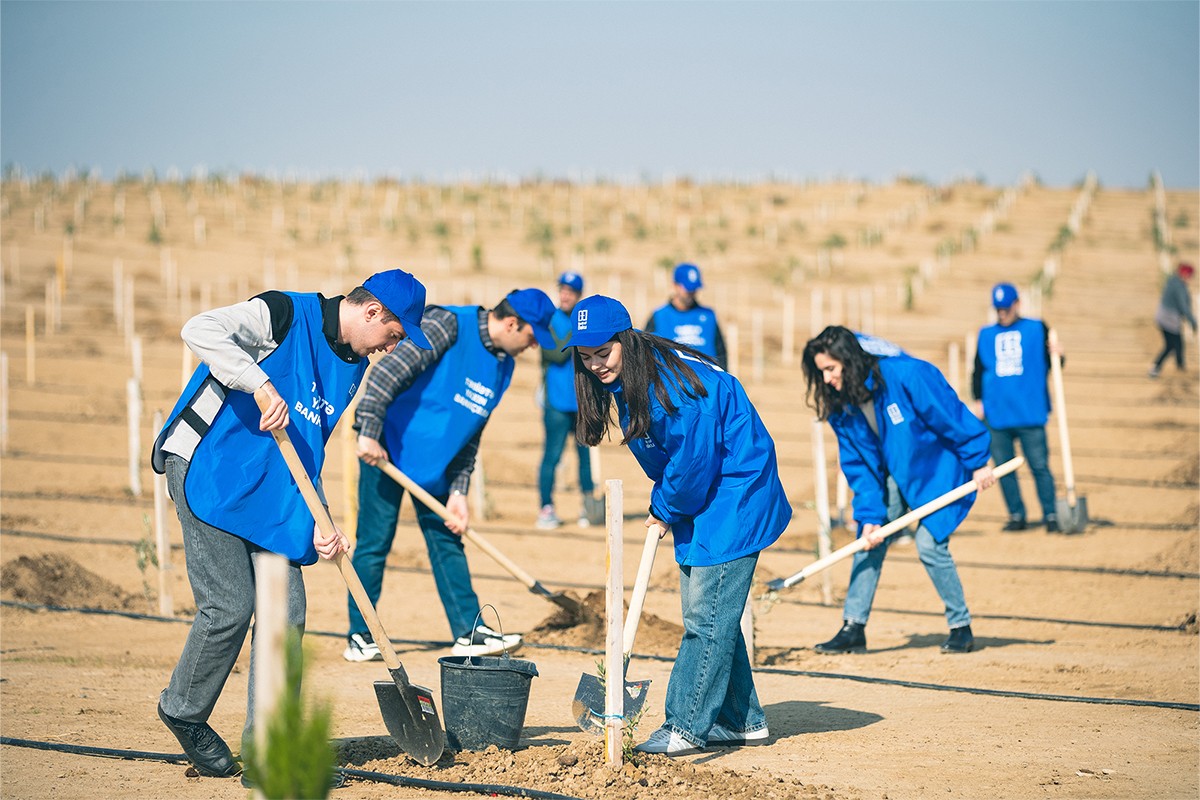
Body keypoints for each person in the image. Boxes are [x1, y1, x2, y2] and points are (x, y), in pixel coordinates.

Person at [150, 269, 429, 779]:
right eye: (394, 334)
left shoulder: (352, 367)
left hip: (270, 491)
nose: (392, 347)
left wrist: (319, 517)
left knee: (289, 609)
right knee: (230, 604)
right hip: (209, 467)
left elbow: (306, 449)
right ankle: (183, 711)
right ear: (372, 312)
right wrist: (258, 384)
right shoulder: (281, 314)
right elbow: (199, 329)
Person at [568, 295, 792, 756]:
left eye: (603, 353)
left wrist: (665, 506)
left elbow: (693, 459)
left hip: (734, 491)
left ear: (625, 342)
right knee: (712, 613)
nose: (595, 365)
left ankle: (685, 725)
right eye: (585, 357)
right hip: (703, 490)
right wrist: (669, 501)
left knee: (705, 617)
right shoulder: (630, 377)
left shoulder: (673, 386)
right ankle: (740, 720)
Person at [345, 288, 556, 662]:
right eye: (531, 337)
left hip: (435, 465)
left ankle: (469, 632)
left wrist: (460, 491)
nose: (533, 347)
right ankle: (362, 635)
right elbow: (386, 375)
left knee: (447, 540)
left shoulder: (503, 365)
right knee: (375, 543)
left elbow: (471, 433)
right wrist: (369, 431)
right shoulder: (448, 325)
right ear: (512, 323)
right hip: (386, 450)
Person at [802, 326, 996, 656]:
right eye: (820, 372)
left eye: (831, 369)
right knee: (868, 538)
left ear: (849, 361)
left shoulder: (906, 375)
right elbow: (860, 468)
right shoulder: (841, 408)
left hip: (937, 470)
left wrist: (978, 460)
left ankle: (960, 627)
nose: (826, 379)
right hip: (894, 476)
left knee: (929, 545)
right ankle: (853, 627)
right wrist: (870, 515)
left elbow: (949, 414)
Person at [971, 283, 1063, 532]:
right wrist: (978, 400)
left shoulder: (1036, 328)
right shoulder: (986, 334)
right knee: (1003, 469)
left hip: (1030, 413)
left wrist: (1058, 354)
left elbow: (1053, 362)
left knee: (1039, 466)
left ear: (1017, 304)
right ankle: (1016, 514)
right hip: (997, 414)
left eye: (1006, 308)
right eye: (998, 309)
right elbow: (978, 371)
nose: (1002, 313)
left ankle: (1051, 513)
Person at [535, 272, 598, 530]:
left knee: (585, 458)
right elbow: (556, 354)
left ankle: (587, 506)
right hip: (557, 402)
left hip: (582, 402)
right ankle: (546, 508)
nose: (565, 295)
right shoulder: (550, 321)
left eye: (570, 292)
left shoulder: (584, 321)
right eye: (562, 290)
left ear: (578, 295)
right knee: (552, 455)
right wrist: (578, 327)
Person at [646, 262, 728, 369]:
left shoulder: (708, 316)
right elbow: (647, 353)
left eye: (694, 289)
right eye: (687, 288)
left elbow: (721, 352)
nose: (691, 292)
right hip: (672, 381)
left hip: (706, 381)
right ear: (674, 285)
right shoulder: (659, 316)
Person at [1149, 262, 1197, 377]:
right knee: (1171, 346)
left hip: (1163, 317)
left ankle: (1180, 367)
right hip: (1169, 320)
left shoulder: (1173, 281)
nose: (1190, 279)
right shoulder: (1179, 286)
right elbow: (1183, 306)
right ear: (1185, 274)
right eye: (1190, 276)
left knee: (1178, 344)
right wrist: (1192, 321)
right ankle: (1155, 367)